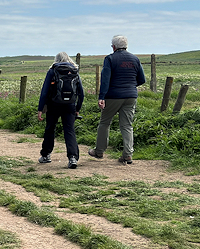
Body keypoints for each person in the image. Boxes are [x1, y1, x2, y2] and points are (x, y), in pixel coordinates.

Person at [88, 35, 146, 164]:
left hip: (113, 96)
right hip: (131, 96)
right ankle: (128, 154)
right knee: (127, 125)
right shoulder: (135, 59)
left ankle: (99, 151)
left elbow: (105, 79)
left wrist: (102, 96)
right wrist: (130, 86)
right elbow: (142, 79)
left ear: (113, 47)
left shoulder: (110, 59)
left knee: (105, 123)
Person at [37, 52, 84, 168]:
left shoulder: (53, 71)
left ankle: (46, 155)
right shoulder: (74, 71)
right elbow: (81, 93)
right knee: (69, 130)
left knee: (50, 129)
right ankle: (73, 158)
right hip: (70, 105)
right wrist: (77, 108)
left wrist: (40, 109)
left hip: (53, 104)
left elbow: (44, 92)